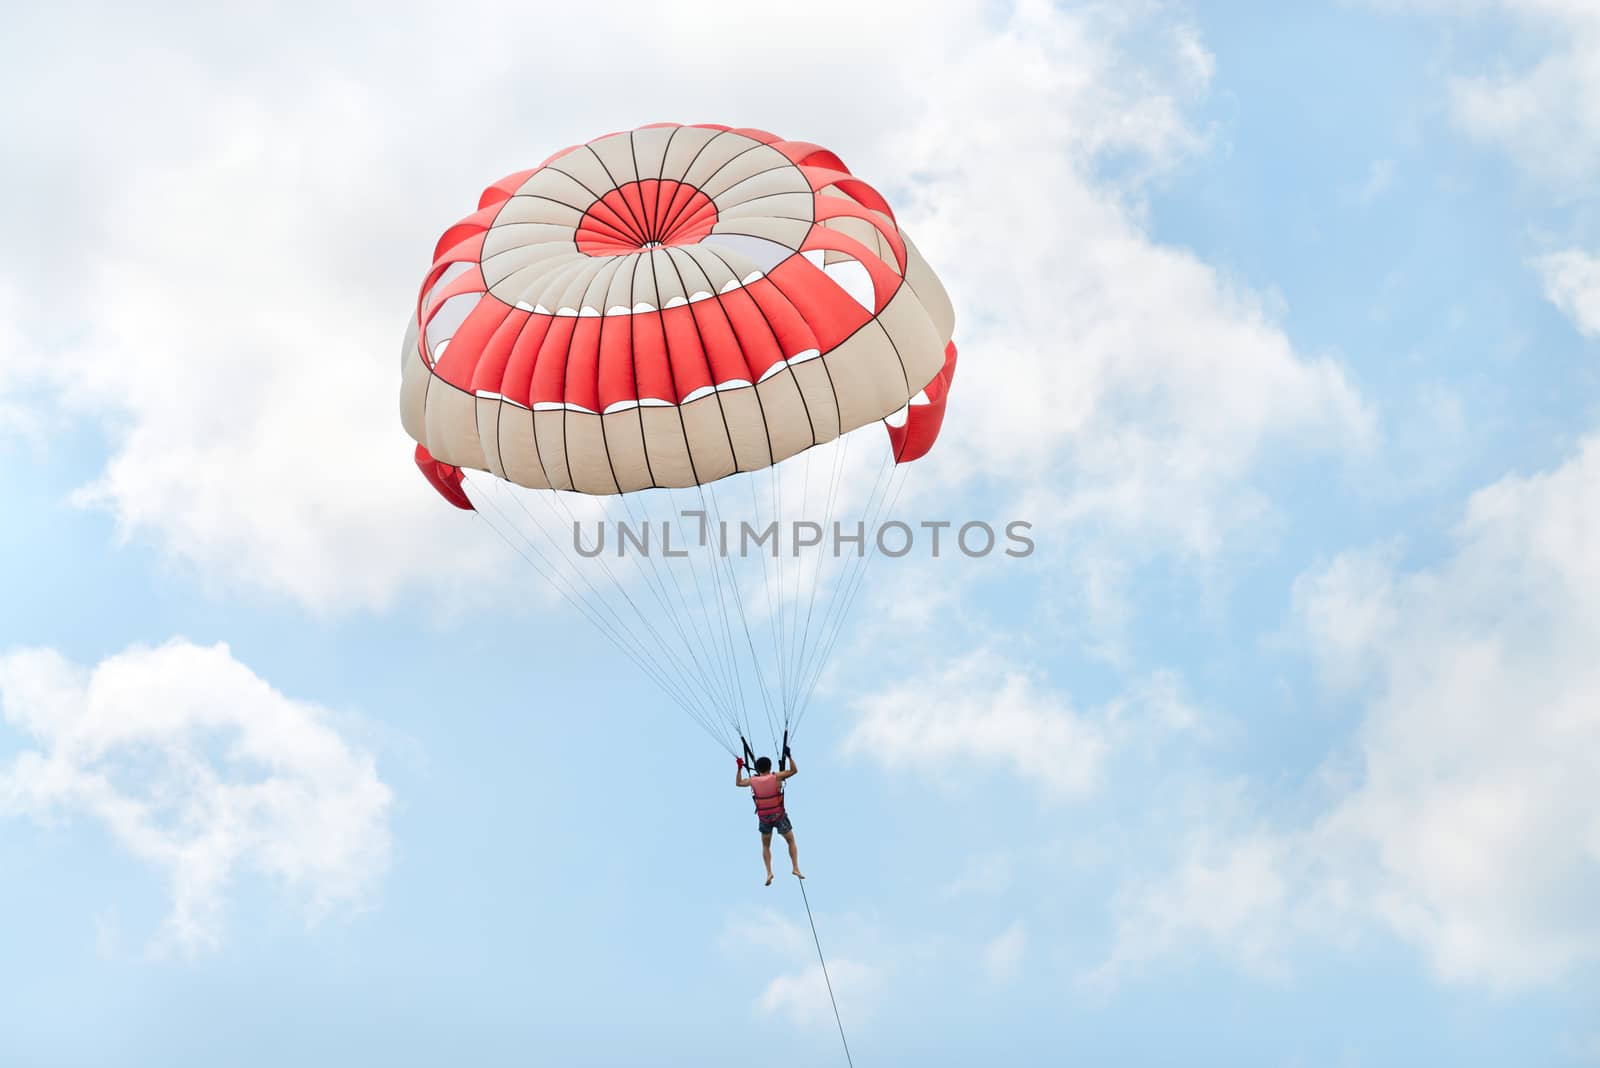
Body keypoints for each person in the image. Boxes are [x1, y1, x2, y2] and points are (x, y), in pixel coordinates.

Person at [736, 751, 804, 885]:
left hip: (764, 818)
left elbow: (738, 783)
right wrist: (790, 756)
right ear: (770, 766)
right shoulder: (776, 777)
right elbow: (794, 770)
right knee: (790, 841)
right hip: (779, 816)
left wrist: (739, 768)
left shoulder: (752, 780)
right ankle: (795, 868)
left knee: (766, 845)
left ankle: (769, 872)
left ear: (757, 768)